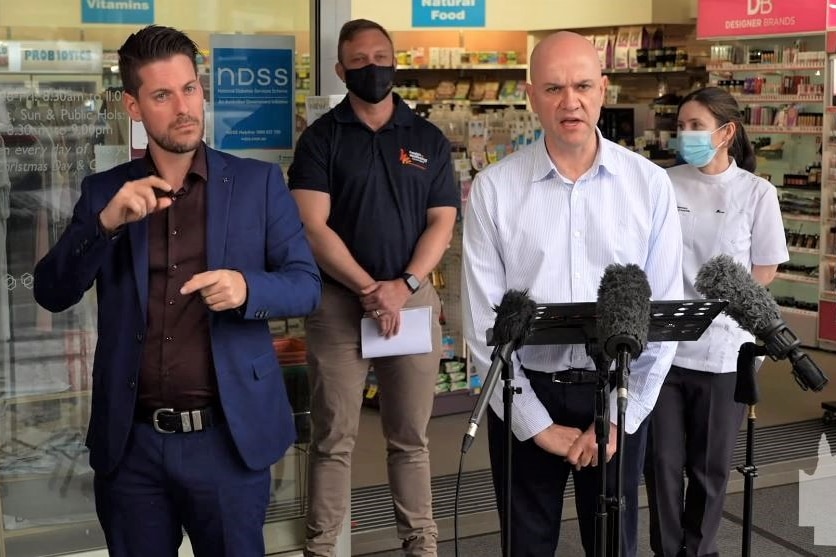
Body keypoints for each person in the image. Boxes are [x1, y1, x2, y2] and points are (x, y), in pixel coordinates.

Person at [32, 25, 321, 557]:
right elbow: (52, 292)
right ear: (134, 106)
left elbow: (305, 287)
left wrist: (246, 287)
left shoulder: (257, 184)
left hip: (227, 441)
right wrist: (105, 224)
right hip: (132, 446)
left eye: (190, 88)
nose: (183, 106)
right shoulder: (105, 192)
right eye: (162, 95)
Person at [461, 31, 684, 557]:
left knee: (613, 546)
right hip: (523, 392)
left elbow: (662, 318)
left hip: (618, 393)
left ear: (603, 89)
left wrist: (618, 419)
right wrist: (535, 426)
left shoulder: (649, 185)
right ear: (531, 94)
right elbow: (481, 325)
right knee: (526, 545)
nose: (570, 101)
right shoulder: (494, 188)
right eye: (554, 88)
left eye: (583, 85)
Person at [287, 18, 459, 557]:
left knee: (410, 438)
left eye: (381, 56)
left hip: (411, 301)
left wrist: (403, 285)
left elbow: (442, 221)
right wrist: (370, 288)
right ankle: (323, 547)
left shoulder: (427, 137)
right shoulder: (321, 139)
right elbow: (312, 226)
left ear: (395, 61)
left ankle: (421, 543)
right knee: (334, 439)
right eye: (358, 61)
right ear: (340, 70)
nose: (372, 68)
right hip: (340, 305)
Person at [644, 86, 789, 557]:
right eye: (681, 126)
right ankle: (668, 551)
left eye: (695, 126)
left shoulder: (756, 193)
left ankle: (699, 551)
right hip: (664, 348)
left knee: (708, 468)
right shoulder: (662, 183)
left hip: (724, 351)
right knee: (662, 464)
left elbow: (764, 270)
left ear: (726, 132)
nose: (684, 135)